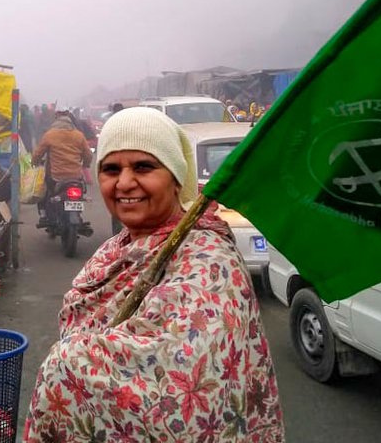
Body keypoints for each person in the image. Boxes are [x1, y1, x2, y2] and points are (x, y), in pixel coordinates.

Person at [23, 107, 284, 442]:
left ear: (176, 177)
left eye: (144, 166)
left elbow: (182, 393)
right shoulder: (115, 246)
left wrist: (67, 364)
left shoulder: (209, 259)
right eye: (111, 169)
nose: (125, 182)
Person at [31, 109, 93, 225]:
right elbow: (88, 155)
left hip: (56, 176)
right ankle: (77, 213)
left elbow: (38, 153)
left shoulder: (50, 134)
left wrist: (34, 162)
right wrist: (85, 164)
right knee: (80, 193)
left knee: (44, 191)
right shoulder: (79, 135)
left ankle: (44, 215)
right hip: (75, 176)